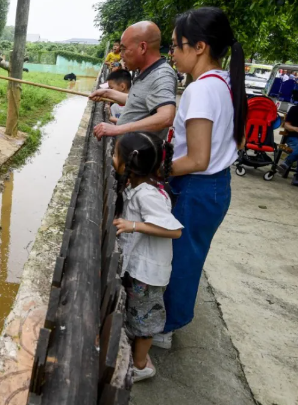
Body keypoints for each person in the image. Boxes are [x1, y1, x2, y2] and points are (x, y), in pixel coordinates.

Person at [153, 7, 247, 349]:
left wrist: (155, 170)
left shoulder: (201, 90)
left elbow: (197, 158)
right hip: (215, 187)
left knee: (180, 260)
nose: (173, 54)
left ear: (199, 47)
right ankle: (169, 321)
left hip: (197, 188)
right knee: (190, 255)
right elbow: (232, 142)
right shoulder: (226, 83)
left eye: (177, 46)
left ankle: (163, 328)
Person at [112, 132, 183, 382]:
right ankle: (138, 356)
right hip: (140, 267)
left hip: (148, 273)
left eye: (114, 154)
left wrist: (133, 225)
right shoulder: (142, 186)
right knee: (139, 314)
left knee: (144, 320)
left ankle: (141, 365)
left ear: (129, 162)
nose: (112, 157)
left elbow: (174, 230)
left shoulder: (147, 195)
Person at [91, 22, 177, 140]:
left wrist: (117, 129)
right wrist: (107, 93)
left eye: (124, 49)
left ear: (142, 48)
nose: (121, 55)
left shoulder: (161, 74)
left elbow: (166, 117)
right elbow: (138, 101)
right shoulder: (146, 72)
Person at [278, 105, 298, 186]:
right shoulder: (295, 109)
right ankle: (297, 177)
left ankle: (286, 163)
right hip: (293, 138)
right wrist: (295, 129)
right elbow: (286, 125)